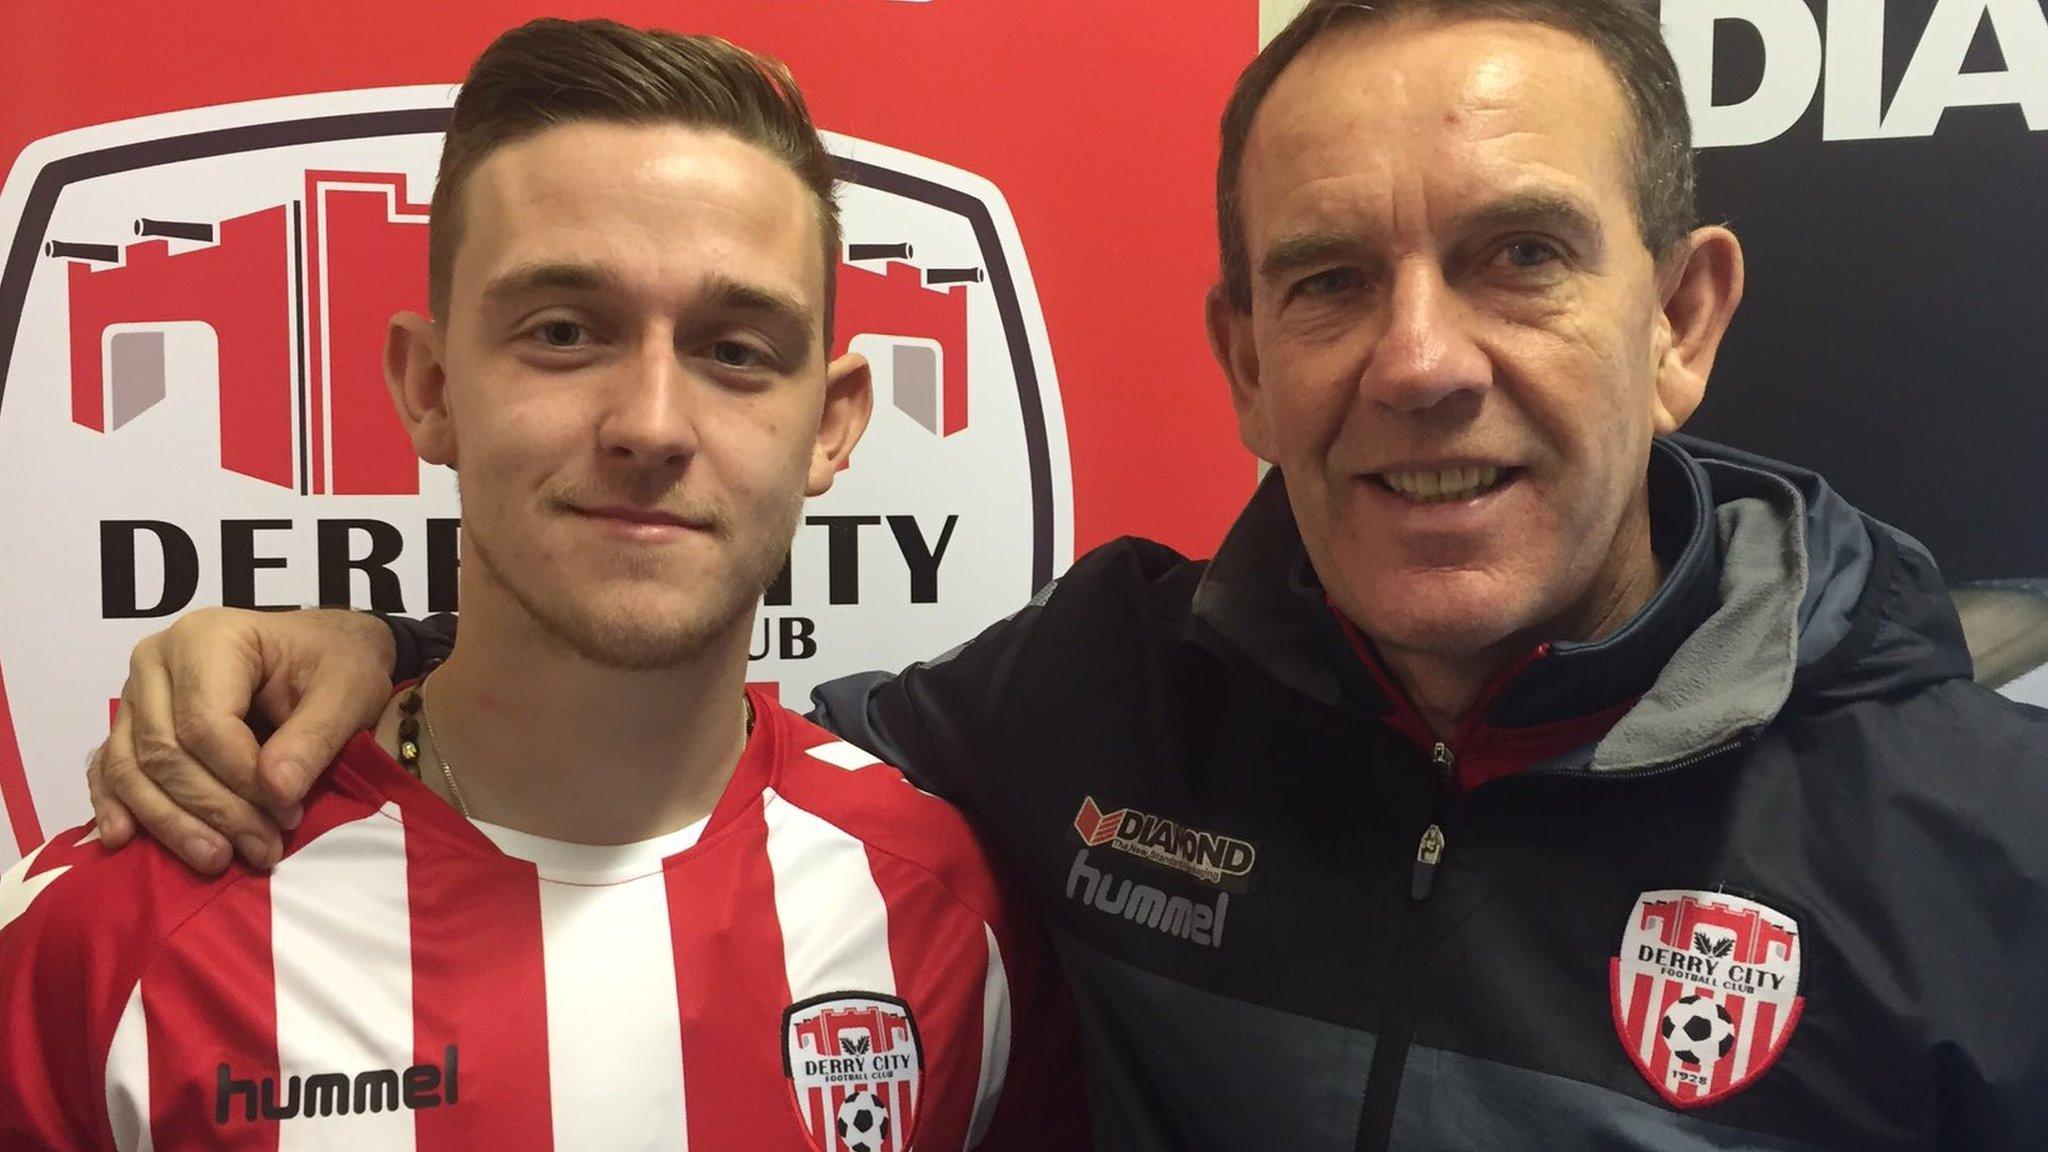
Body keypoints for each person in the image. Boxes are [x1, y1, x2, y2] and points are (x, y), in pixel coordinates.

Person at [74, 0, 2048, 1148]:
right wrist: (372, 644)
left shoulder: (1987, 857)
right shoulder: (1095, 696)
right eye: (1330, 280)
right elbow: (648, 703)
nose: (1420, 357)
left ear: (1684, 318)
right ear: (1243, 358)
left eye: (1520, 256)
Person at [0, 18, 1086, 1151]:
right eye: (564, 332)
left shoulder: (956, 919)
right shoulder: (114, 933)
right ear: (429, 386)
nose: (652, 425)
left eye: (735, 350)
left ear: (831, 423)